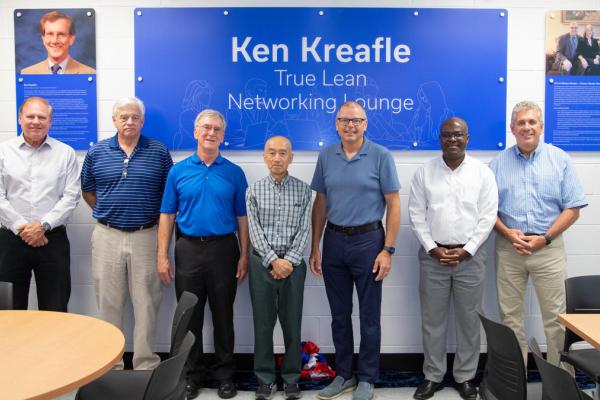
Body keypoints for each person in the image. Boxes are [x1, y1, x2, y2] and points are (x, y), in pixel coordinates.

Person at [310, 101, 401, 400]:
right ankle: (344, 375)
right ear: (336, 124)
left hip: (369, 242)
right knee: (339, 315)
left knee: (369, 316)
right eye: (344, 120)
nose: (350, 125)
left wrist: (388, 249)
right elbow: (320, 204)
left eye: (357, 120)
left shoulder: (380, 155)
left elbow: (394, 204)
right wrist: (315, 246)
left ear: (366, 123)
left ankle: (367, 378)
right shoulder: (326, 156)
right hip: (334, 242)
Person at [157, 109, 249, 400]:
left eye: (216, 129)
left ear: (223, 135)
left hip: (224, 249)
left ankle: (224, 375)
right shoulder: (178, 171)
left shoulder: (234, 172)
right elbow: (167, 215)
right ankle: (191, 377)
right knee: (189, 317)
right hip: (188, 249)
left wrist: (244, 255)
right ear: (195, 132)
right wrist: (162, 256)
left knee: (223, 315)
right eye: (205, 128)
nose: (211, 133)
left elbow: (243, 218)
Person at [489, 101, 587, 367]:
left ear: (541, 127)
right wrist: (508, 233)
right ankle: (515, 384)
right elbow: (487, 211)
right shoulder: (496, 165)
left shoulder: (560, 159)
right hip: (510, 249)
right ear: (512, 129)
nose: (527, 127)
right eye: (521, 123)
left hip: (549, 248)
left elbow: (573, 208)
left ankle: (560, 386)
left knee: (557, 320)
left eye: (532, 122)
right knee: (510, 320)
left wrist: (544, 238)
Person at [408, 117, 498, 400]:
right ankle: (433, 376)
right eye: (447, 135)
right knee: (432, 321)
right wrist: (433, 247)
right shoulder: (424, 172)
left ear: (467, 138)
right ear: (440, 138)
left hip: (470, 258)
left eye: (458, 135)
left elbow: (488, 216)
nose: (453, 140)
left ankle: (466, 377)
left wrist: (468, 249)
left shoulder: (482, 173)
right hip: (432, 257)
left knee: (469, 321)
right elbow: (416, 215)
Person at [80, 97, 172, 370]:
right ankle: (112, 364)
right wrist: (110, 212)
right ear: (114, 121)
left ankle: (145, 364)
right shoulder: (97, 152)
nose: (129, 122)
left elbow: (168, 198)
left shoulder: (158, 152)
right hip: (107, 235)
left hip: (147, 235)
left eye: (134, 117)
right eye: (124, 117)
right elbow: (88, 190)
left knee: (146, 304)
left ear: (142, 121)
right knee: (108, 303)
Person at [246, 136, 311, 400]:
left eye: (282, 153)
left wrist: (289, 260)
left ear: (291, 157)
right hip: (262, 264)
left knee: (292, 324)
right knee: (263, 324)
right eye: (271, 153)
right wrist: (273, 260)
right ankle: (264, 378)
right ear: (264, 157)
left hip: (293, 266)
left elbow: (305, 228)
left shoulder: (305, 190)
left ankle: (291, 378)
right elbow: (254, 230)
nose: (277, 158)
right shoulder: (253, 191)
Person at [0, 96, 80, 311]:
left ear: (50, 122)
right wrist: (22, 228)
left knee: (55, 306)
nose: (36, 121)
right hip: (11, 240)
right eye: (30, 116)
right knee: (9, 307)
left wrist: (42, 226)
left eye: (41, 117)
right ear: (20, 119)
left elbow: (71, 197)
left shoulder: (66, 154)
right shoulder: (3, 152)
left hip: (51, 239)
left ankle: (54, 346)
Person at [21, 11, 95, 75]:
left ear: (71, 39)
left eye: (61, 34)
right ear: (43, 39)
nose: (54, 41)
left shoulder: (89, 73)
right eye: (50, 34)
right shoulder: (27, 73)